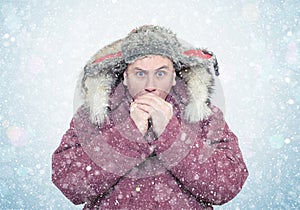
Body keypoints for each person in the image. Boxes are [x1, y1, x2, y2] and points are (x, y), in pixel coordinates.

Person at [52, 25, 248, 210]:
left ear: (173, 76)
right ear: (126, 78)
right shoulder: (93, 116)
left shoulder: (205, 116)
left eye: (161, 73)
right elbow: (70, 183)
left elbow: (226, 186)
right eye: (140, 73)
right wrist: (130, 131)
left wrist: (171, 133)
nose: (150, 84)